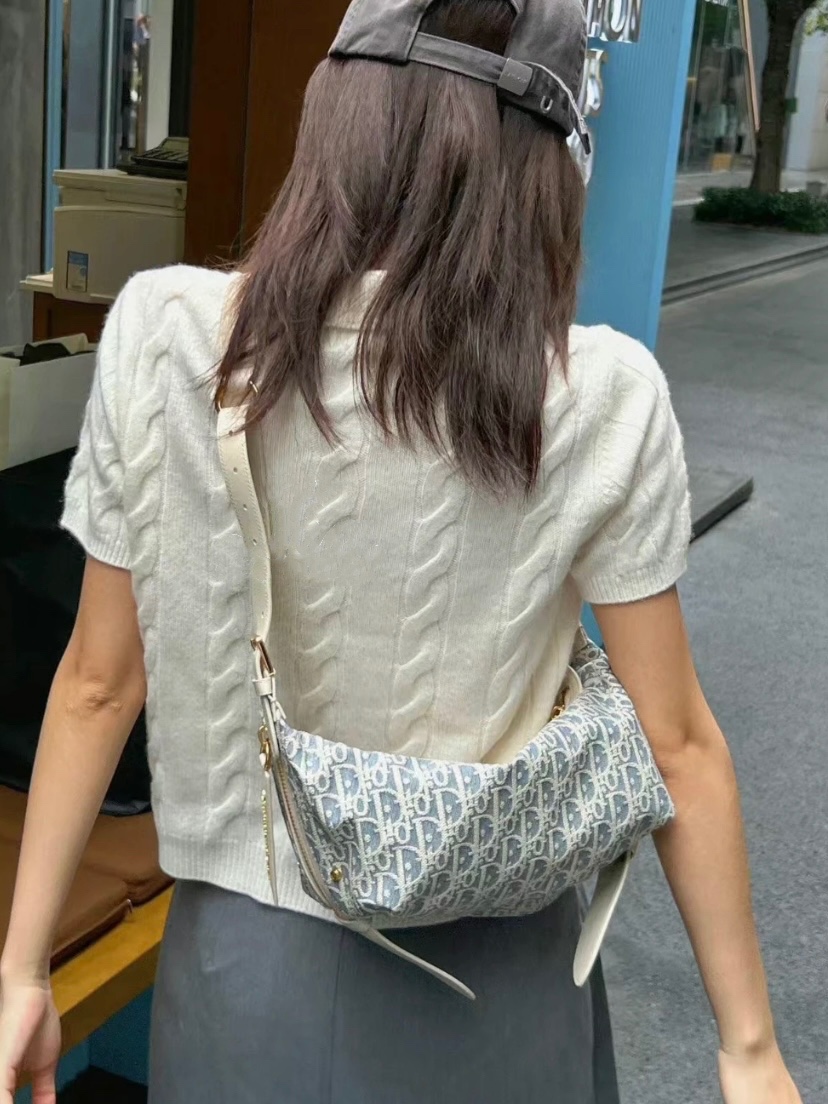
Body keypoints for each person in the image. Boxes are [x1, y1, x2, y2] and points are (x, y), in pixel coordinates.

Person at [0, 1, 803, 1102]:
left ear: (335, 115)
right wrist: (749, 1046)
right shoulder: (601, 398)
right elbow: (679, 744)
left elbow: (100, 683)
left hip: (247, 976)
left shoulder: (167, 338)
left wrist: (21, 968)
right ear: (548, 170)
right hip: (506, 979)